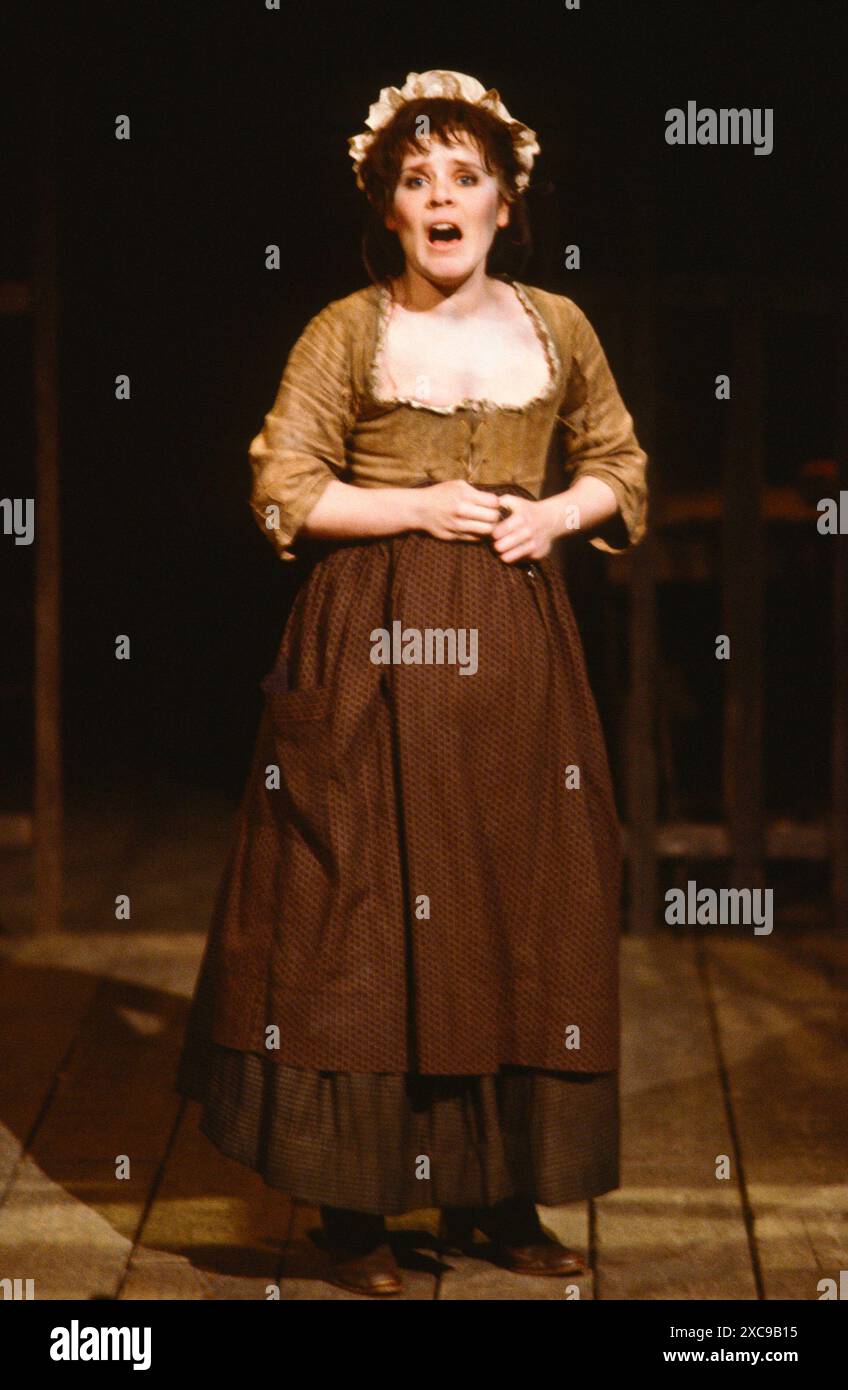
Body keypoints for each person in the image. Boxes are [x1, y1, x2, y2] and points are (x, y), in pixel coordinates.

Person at [174, 69, 649, 1297]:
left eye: (463, 178)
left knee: (516, 901)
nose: (440, 198)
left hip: (519, 656)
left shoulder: (555, 327)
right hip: (369, 654)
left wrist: (553, 515)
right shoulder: (347, 330)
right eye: (414, 180)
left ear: (504, 200)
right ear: (386, 207)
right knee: (363, 913)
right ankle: (353, 1210)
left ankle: (497, 1194)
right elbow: (286, 487)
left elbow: (618, 463)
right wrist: (413, 506)